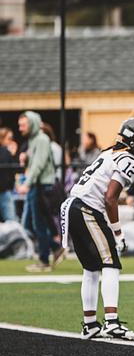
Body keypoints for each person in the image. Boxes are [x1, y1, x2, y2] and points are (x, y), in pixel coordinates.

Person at [62, 118, 134, 341]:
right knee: (111, 263)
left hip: (73, 205)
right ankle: (112, 323)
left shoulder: (109, 153)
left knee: (91, 268)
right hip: (87, 208)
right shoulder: (130, 160)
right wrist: (118, 233)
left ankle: (90, 325)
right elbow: (110, 198)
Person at [17, 111, 63, 272]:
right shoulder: (34, 140)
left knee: (37, 224)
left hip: (42, 186)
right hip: (38, 185)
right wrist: (26, 159)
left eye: (23, 124)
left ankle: (45, 260)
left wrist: (26, 184)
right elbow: (34, 162)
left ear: (32, 123)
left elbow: (39, 165)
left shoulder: (41, 139)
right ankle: (56, 247)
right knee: (33, 223)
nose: (20, 128)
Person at [0, 128, 18, 222]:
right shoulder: (5, 152)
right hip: (4, 191)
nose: (11, 142)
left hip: (5, 191)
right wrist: (12, 154)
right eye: (9, 139)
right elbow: (14, 169)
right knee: (11, 221)